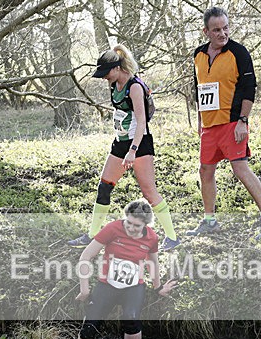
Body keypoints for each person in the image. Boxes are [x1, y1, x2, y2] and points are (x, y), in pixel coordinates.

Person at [67, 45, 180, 252]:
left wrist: (133, 150)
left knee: (149, 192)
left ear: (117, 68)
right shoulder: (113, 85)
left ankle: (172, 237)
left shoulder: (134, 87)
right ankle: (92, 235)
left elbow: (141, 121)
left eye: (106, 73)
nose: (104, 77)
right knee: (104, 187)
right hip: (121, 142)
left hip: (139, 144)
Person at [188, 6, 261, 240]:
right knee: (205, 170)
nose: (222, 33)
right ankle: (209, 221)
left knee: (240, 168)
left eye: (226, 28)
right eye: (216, 30)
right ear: (206, 32)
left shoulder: (239, 53)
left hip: (232, 122)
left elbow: (250, 89)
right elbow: (199, 89)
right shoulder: (198, 55)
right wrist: (200, 120)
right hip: (209, 126)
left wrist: (243, 121)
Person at [76, 200, 176, 339]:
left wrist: (158, 287)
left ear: (146, 225)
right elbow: (86, 256)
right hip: (107, 284)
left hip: (133, 287)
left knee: (131, 319)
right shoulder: (113, 228)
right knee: (89, 328)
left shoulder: (152, 238)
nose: (131, 228)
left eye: (137, 226)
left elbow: (152, 263)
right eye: (128, 223)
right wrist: (84, 289)